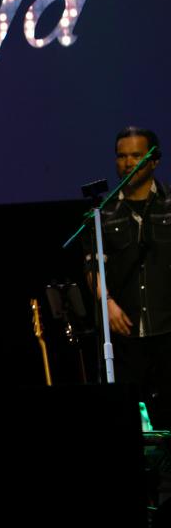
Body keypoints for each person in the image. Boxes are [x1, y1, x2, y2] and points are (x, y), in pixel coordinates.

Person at [85, 126, 171, 427]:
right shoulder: (104, 212)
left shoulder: (169, 204)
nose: (128, 162)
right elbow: (93, 268)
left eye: (136, 155)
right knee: (129, 421)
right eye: (121, 156)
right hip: (126, 338)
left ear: (154, 160)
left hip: (167, 330)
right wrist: (106, 302)